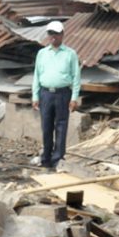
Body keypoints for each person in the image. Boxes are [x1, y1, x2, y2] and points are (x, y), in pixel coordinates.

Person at [32, 21, 81, 169]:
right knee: (46, 126)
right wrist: (35, 96)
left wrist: (74, 97)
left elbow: (76, 77)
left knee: (61, 125)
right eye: (50, 33)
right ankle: (46, 157)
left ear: (62, 34)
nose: (53, 36)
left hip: (62, 93)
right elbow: (36, 75)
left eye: (56, 33)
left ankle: (58, 158)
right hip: (45, 93)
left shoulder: (70, 54)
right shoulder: (42, 53)